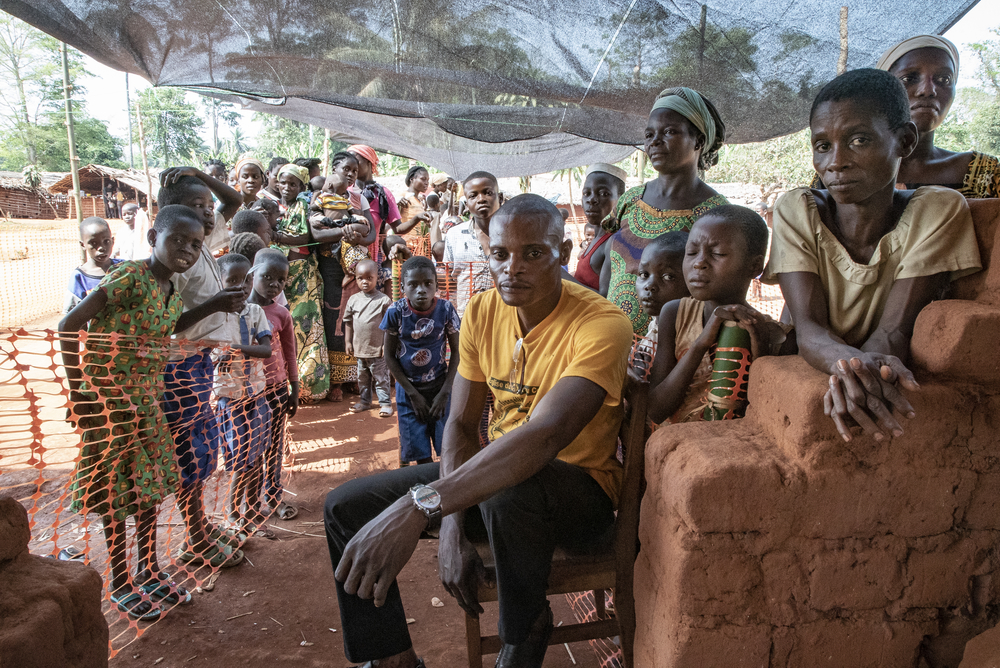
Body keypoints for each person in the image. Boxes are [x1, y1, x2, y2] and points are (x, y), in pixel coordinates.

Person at [325, 194, 634, 668]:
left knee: (509, 482)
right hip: (501, 490)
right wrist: (450, 524)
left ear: (564, 252)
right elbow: (463, 425)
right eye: (501, 254)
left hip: (580, 499)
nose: (513, 268)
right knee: (345, 506)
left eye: (534, 253)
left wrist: (424, 502)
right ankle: (392, 658)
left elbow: (544, 437)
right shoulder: (482, 311)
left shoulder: (603, 323)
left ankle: (524, 633)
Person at [763, 68, 981, 443]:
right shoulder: (798, 210)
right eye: (822, 145)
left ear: (905, 141)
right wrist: (854, 368)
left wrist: (857, 372)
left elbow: (894, 330)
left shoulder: (938, 210)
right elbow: (810, 330)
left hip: (867, 357)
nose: (836, 161)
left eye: (859, 140)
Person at [59, 205, 206, 622]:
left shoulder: (170, 290)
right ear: (152, 238)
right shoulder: (128, 277)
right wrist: (79, 393)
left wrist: (212, 306)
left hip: (146, 404)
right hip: (109, 404)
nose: (186, 249)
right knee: (116, 493)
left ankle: (150, 569)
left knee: (150, 488)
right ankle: (122, 580)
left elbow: (171, 325)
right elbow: (69, 325)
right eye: (177, 239)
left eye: (195, 244)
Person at [157, 172, 248, 570]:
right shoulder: (177, 257)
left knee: (201, 449)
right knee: (189, 454)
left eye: (208, 209)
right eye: (197, 206)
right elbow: (162, 321)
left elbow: (234, 202)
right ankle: (193, 538)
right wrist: (215, 306)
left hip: (197, 364)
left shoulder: (200, 242)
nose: (209, 215)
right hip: (176, 368)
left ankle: (199, 528)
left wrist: (198, 176)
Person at [647, 207, 788, 424]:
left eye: (718, 254)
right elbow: (655, 410)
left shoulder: (772, 333)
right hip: (673, 447)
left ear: (754, 265)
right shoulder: (676, 313)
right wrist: (701, 343)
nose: (699, 262)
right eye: (692, 252)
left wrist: (760, 351)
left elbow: (765, 416)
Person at [603, 88, 728, 333]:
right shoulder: (629, 201)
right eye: (649, 134)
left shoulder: (717, 215)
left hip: (670, 350)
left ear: (699, 141)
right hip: (609, 340)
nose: (655, 141)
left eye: (669, 132)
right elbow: (604, 267)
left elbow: (719, 293)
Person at [878, 35, 999, 197]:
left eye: (944, 79)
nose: (928, 90)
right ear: (881, 89)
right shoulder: (849, 170)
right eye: (909, 78)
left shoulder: (986, 174)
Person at [213, 253, 273, 537]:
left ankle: (250, 505)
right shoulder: (214, 317)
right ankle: (233, 511)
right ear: (219, 282)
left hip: (256, 397)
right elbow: (212, 357)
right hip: (231, 400)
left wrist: (235, 350)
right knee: (239, 458)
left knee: (256, 454)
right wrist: (235, 351)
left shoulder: (255, 312)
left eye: (245, 280)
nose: (240, 287)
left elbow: (266, 349)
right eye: (232, 281)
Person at [381, 256, 461, 466]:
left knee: (448, 448)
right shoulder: (395, 312)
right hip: (408, 392)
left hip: (440, 386)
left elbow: (458, 353)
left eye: (427, 283)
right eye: (413, 284)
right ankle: (426, 494)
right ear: (403, 286)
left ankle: (446, 491)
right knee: (419, 452)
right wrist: (412, 393)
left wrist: (445, 392)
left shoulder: (446, 309)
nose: (421, 290)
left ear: (436, 284)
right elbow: (388, 356)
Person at [312, 152, 377, 402]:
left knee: (356, 318)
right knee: (334, 318)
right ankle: (335, 380)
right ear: (334, 168)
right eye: (346, 169)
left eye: (354, 170)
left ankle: (352, 378)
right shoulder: (319, 197)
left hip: (354, 262)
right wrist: (343, 231)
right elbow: (317, 233)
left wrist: (355, 236)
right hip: (330, 265)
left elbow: (370, 235)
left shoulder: (357, 198)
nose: (350, 174)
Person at [273, 162, 330, 402]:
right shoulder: (272, 207)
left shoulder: (305, 206)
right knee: (283, 329)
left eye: (293, 183)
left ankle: (310, 386)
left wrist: (276, 236)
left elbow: (306, 236)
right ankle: (282, 383)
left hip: (302, 274)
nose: (287, 187)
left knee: (307, 326)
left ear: (301, 186)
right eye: (283, 182)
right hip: (280, 277)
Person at [250, 249, 300, 521]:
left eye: (280, 280)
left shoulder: (281, 313)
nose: (274, 284)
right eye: (267, 276)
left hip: (276, 389)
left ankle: (273, 496)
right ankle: (250, 501)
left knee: (274, 446)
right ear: (252, 274)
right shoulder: (239, 311)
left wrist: (294, 387)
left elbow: (290, 352)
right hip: (247, 393)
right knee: (252, 450)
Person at [442, 171, 500, 318]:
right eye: (473, 196)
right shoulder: (454, 235)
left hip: (504, 317)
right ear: (466, 204)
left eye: (488, 192)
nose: (481, 199)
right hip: (466, 317)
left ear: (500, 197)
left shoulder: (514, 234)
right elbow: (448, 279)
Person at [343, 258, 394, 417]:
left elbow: (390, 325)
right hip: (360, 350)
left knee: (381, 379)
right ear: (356, 278)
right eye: (360, 278)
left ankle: (385, 404)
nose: (365, 282)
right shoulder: (353, 300)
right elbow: (348, 322)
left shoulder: (384, 300)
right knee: (362, 379)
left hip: (377, 350)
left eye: (369, 278)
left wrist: (387, 344)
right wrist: (347, 341)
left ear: (377, 278)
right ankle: (365, 402)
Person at [574, 163, 628, 292]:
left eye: (603, 194)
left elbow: (605, 299)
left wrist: (562, 277)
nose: (591, 200)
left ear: (620, 199)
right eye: (586, 193)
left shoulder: (613, 242)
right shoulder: (595, 239)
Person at [633, 230, 689, 351]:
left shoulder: (689, 337)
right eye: (644, 274)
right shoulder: (655, 324)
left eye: (668, 277)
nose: (649, 286)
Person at [64, 217, 123, 314]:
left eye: (106, 241)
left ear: (112, 241)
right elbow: (72, 316)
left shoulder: (124, 267)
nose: (101, 248)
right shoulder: (80, 277)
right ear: (83, 245)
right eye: (93, 243)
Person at [396, 165, 433, 243]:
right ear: (412, 179)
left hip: (418, 246)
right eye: (423, 179)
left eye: (427, 180)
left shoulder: (419, 201)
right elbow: (396, 227)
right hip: (406, 244)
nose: (426, 183)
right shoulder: (402, 197)